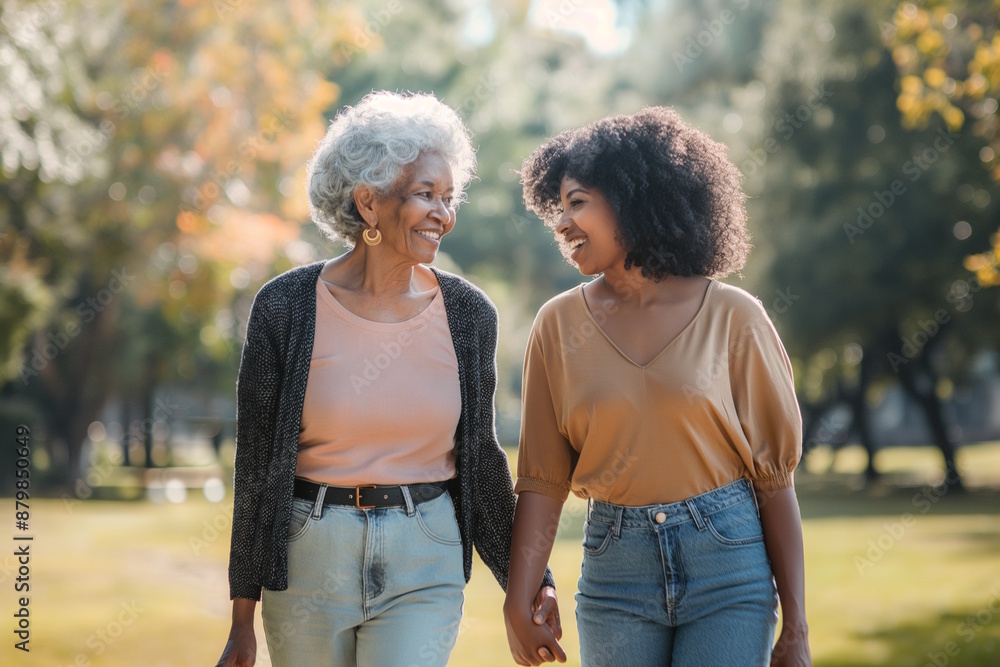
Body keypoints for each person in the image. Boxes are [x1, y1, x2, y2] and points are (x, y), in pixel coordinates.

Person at [215, 91, 560, 667]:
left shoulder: (469, 315)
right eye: (426, 194)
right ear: (369, 204)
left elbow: (480, 459)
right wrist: (241, 621)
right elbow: (257, 469)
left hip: (424, 553)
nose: (443, 215)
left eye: (449, 198)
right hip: (308, 555)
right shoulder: (285, 307)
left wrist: (533, 582)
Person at [503, 108, 811, 666]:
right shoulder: (557, 325)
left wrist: (797, 627)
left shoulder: (734, 317)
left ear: (633, 200)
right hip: (614, 571)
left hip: (729, 566)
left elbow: (774, 480)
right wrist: (516, 601)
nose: (563, 223)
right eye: (558, 207)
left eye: (578, 203)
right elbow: (543, 481)